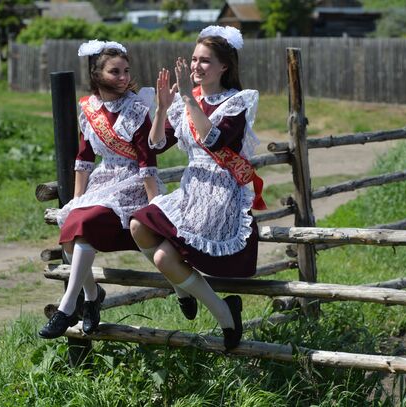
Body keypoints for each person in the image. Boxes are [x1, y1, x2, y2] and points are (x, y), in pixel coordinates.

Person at [130, 25, 266, 350]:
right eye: (194, 59)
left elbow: (214, 140)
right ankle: (185, 291)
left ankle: (225, 314)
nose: (195, 67)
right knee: (138, 225)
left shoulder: (236, 102)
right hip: (191, 189)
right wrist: (163, 106)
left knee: (164, 259)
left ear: (224, 66)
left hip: (221, 194)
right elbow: (157, 145)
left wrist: (189, 99)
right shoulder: (184, 102)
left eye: (205, 61)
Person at [39, 40, 164, 339]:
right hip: (102, 181)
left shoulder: (136, 108)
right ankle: (93, 296)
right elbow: (84, 158)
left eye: (126, 71)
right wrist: (78, 200)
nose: (122, 77)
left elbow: (147, 161)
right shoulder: (88, 108)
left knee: (82, 226)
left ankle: (67, 307)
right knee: (72, 228)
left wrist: (154, 204)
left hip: (131, 182)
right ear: (96, 74)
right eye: (114, 71)